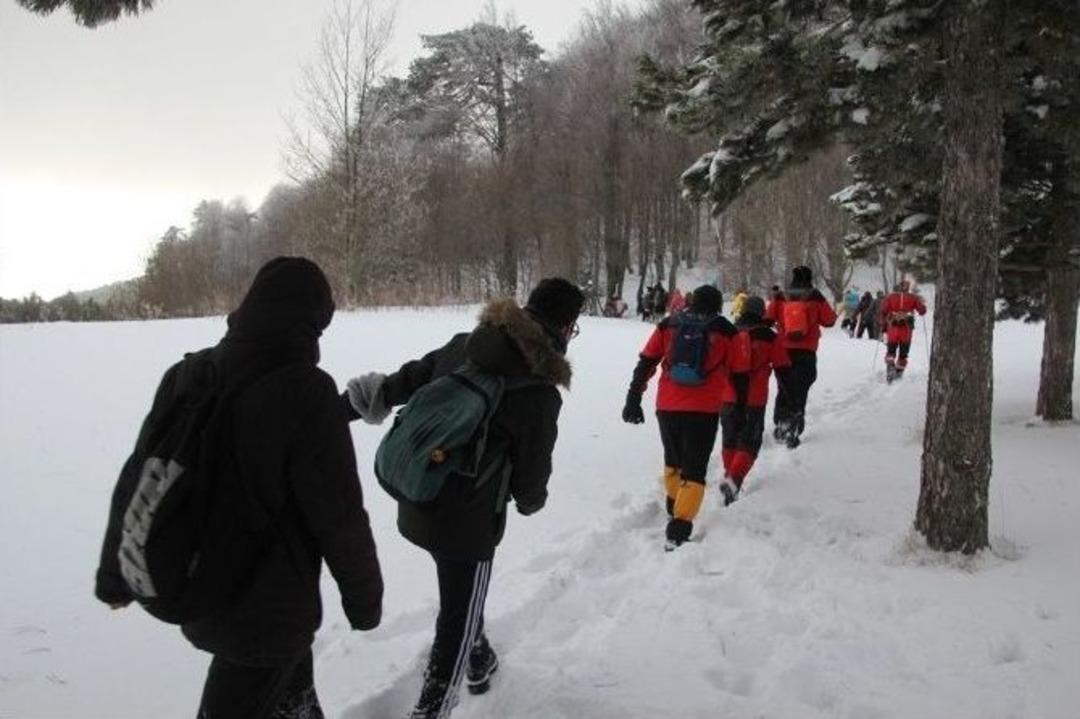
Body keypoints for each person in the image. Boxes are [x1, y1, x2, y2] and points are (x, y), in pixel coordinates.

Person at [95, 257, 384, 719]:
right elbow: (340, 516)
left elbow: (139, 474)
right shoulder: (306, 392)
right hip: (268, 613)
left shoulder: (188, 374)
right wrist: (365, 601)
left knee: (294, 698)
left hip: (197, 581)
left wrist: (116, 574)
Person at [343, 278, 584, 719]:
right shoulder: (539, 392)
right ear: (566, 327)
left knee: (459, 595)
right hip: (467, 522)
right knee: (459, 617)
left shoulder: (467, 344)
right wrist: (531, 503)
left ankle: (480, 660)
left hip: (416, 494)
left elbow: (410, 378)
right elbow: (531, 475)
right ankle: (433, 708)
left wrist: (348, 406)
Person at [622, 285, 735, 549]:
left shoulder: (669, 324)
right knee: (694, 469)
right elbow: (740, 372)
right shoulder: (725, 331)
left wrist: (633, 398)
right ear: (718, 305)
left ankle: (675, 503)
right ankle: (679, 527)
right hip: (704, 409)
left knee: (673, 461)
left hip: (667, 406)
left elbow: (646, 361)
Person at [719, 296, 790, 505]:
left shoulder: (729, 332)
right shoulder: (769, 336)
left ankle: (728, 473)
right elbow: (783, 367)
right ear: (761, 313)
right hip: (754, 399)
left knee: (730, 438)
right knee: (750, 442)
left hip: (728, 396)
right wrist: (789, 395)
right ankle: (734, 478)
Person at [765, 265, 837, 448]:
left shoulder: (781, 296)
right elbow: (829, 320)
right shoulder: (815, 296)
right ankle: (794, 427)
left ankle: (781, 423)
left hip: (783, 349)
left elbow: (767, 319)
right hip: (806, 350)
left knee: (783, 386)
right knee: (801, 387)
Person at [878, 280, 928, 382]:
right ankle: (899, 371)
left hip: (893, 327)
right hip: (906, 328)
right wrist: (922, 306)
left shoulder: (890, 297)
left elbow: (882, 311)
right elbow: (922, 311)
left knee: (891, 349)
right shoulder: (913, 297)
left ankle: (890, 367)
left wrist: (882, 322)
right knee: (903, 352)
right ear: (908, 288)